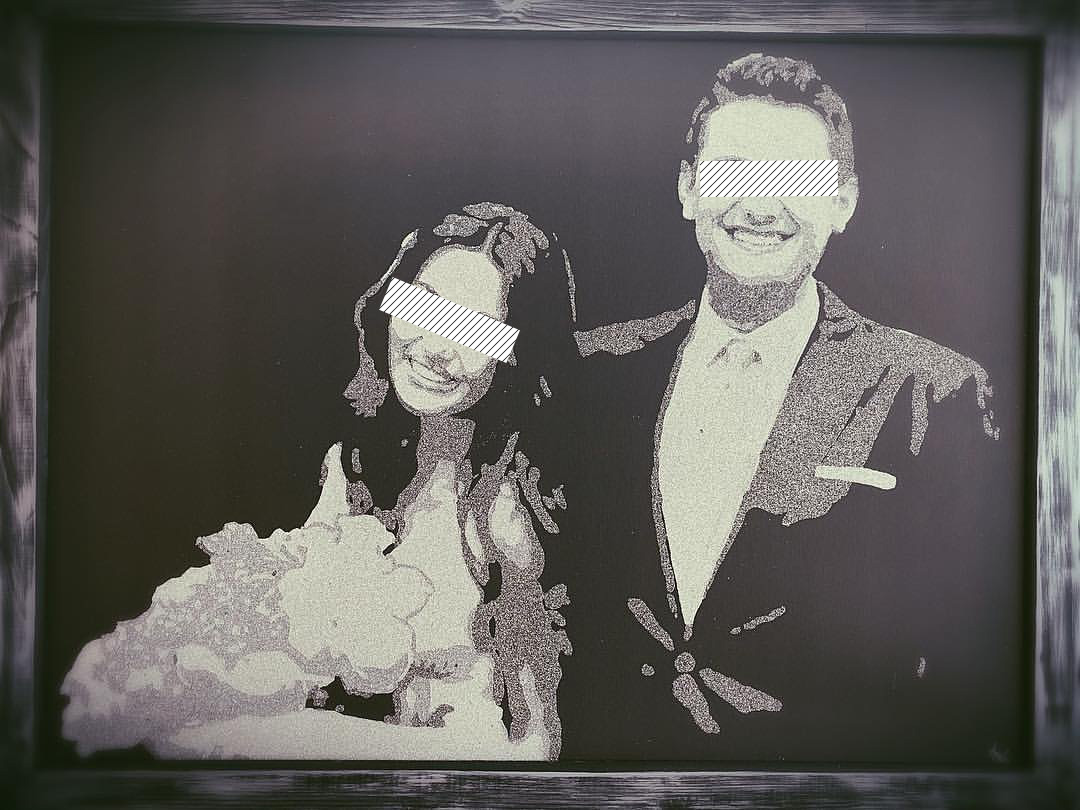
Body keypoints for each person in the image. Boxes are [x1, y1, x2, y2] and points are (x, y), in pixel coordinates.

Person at [553, 53, 1020, 764]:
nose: (761, 206)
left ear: (844, 202)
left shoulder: (935, 388)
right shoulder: (593, 368)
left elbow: (977, 670)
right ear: (688, 189)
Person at [60, 202, 581, 761]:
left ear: (516, 356)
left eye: (476, 332)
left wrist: (255, 740)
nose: (436, 347)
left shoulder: (505, 510)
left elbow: (532, 750)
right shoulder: (353, 464)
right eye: (423, 305)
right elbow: (290, 635)